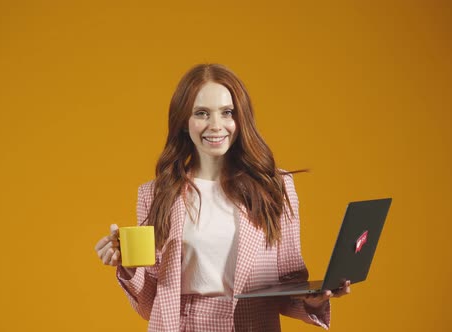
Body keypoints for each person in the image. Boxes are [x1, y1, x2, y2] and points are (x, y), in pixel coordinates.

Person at [94, 64, 350, 331]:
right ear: (184, 121)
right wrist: (127, 266)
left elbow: (288, 286)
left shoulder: (274, 187)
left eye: (227, 113)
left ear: (240, 119)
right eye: (202, 113)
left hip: (252, 324)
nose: (216, 126)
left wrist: (314, 301)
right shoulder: (155, 194)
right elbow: (151, 304)